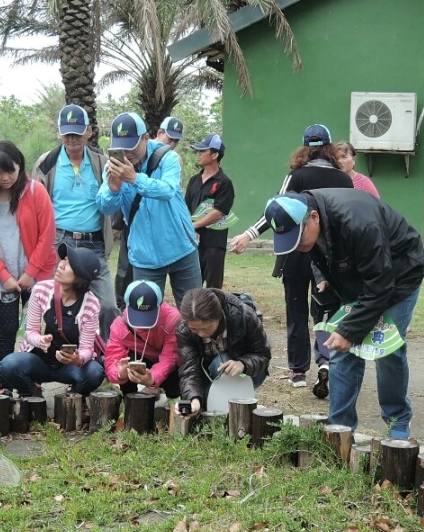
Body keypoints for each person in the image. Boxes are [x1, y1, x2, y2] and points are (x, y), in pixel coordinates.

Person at [263, 190, 424, 437]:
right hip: (359, 279)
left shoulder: (359, 222)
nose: (297, 247)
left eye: (298, 238)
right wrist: (325, 277)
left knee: (387, 351)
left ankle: (398, 423)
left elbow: (380, 284)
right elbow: (320, 252)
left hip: (400, 276)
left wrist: (350, 330)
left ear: (314, 217)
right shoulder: (310, 219)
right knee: (341, 351)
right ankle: (340, 428)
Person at [230, 124, 354, 393]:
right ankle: (327, 361)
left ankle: (298, 370)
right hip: (330, 257)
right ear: (330, 149)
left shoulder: (297, 176)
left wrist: (248, 235)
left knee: (296, 312)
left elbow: (277, 209)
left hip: (297, 252)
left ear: (305, 148)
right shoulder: (345, 180)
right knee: (327, 313)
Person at [0, 141, 56, 375]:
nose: (5, 177)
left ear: (20, 165)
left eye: (10, 170)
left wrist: (30, 272)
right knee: (6, 331)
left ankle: (32, 382)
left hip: (36, 275)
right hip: (2, 276)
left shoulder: (36, 192)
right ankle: (5, 384)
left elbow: (47, 234)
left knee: (34, 331)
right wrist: (4, 276)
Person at [97, 111, 203, 303]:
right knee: (147, 318)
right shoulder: (113, 167)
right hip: (144, 257)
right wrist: (113, 189)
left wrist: (135, 179)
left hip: (181, 249)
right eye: (121, 148)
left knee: (194, 312)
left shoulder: (167, 157)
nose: (127, 154)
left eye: (131, 147)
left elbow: (168, 190)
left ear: (145, 138)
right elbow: (105, 207)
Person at [34, 103, 117, 338]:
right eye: (67, 132)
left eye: (78, 132)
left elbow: (113, 197)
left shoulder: (102, 162)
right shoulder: (46, 163)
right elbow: (37, 207)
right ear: (59, 132)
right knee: (53, 302)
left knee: (109, 306)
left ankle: (107, 359)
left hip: (94, 245)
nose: (72, 138)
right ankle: (55, 354)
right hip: (59, 243)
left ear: (89, 131)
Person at [0, 242, 106, 397]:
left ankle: (75, 396)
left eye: (69, 264)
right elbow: (30, 332)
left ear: (80, 277)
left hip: (69, 367)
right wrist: (40, 340)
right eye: (64, 259)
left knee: (95, 372)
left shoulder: (91, 304)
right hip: (40, 362)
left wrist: (78, 359)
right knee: (8, 365)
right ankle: (31, 394)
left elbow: (87, 348)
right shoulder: (41, 290)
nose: (61, 264)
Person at [176, 287, 271, 416]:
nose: (201, 334)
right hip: (207, 374)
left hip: (249, 372)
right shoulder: (183, 329)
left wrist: (243, 364)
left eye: (206, 328)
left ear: (218, 317)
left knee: (221, 362)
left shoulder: (245, 316)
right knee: (200, 399)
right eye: (194, 329)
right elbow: (189, 369)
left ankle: (234, 412)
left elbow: (263, 354)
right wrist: (193, 399)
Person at [105, 280, 182, 399]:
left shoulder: (172, 320)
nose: (142, 325)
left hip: (166, 368)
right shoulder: (120, 326)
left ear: (159, 305)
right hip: (140, 362)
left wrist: (152, 379)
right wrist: (120, 374)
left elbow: (170, 357)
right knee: (127, 360)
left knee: (175, 388)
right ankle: (130, 400)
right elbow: (111, 362)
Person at [186, 134, 235, 289]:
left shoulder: (224, 182)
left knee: (213, 287)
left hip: (214, 243)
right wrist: (189, 229)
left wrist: (193, 226)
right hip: (193, 242)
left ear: (215, 155)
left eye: (202, 151)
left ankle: (214, 314)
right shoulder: (194, 180)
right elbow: (185, 207)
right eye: (197, 151)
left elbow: (218, 212)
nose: (198, 155)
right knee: (192, 286)